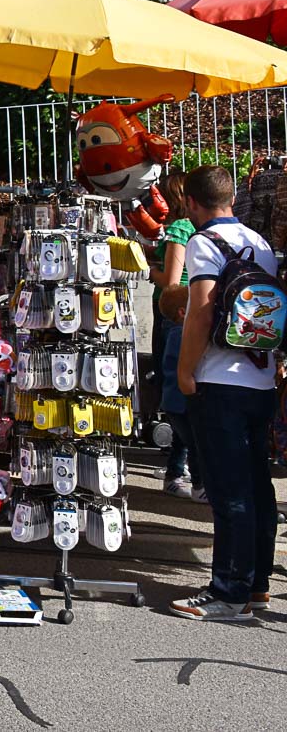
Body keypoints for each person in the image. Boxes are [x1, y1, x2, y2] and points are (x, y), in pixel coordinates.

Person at [170, 166, 280, 622]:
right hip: (261, 378)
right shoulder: (259, 242)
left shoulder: (204, 242)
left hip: (219, 380)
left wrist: (185, 370)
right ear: (232, 198)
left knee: (228, 489)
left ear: (191, 203)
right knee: (257, 486)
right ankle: (256, 585)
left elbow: (201, 310)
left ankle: (228, 594)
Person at [150, 171, 201, 498]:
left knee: (176, 396)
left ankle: (179, 472)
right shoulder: (196, 228)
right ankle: (179, 469)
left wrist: (147, 267)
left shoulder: (180, 229)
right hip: (184, 310)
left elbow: (170, 280)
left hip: (173, 311)